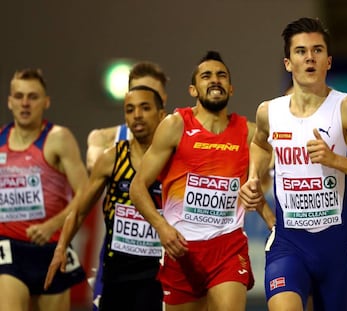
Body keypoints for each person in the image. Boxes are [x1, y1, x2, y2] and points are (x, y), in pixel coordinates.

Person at [239, 17, 347, 311]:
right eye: (300, 51)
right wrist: (253, 177)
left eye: (317, 50)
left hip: (335, 247)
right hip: (288, 244)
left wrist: (335, 160)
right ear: (288, 63)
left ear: (328, 61)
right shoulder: (269, 111)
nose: (309, 57)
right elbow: (260, 144)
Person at [129, 51, 275, 311]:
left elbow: (282, 165)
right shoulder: (176, 125)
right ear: (193, 89)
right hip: (182, 249)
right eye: (206, 76)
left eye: (221, 76)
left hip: (228, 247)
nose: (215, 80)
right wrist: (161, 227)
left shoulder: (248, 133)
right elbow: (137, 187)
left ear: (230, 88)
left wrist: (262, 199)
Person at [44, 85, 167, 311]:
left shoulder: (173, 161)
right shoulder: (111, 159)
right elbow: (80, 210)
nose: (136, 115)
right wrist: (60, 249)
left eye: (144, 108)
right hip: (116, 273)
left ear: (161, 115)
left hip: (158, 274)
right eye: (129, 110)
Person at [0, 68, 87, 311]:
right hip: (9, 247)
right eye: (18, 96)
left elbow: (86, 192)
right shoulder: (0, 140)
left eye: (33, 97)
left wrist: (53, 225)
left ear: (46, 102)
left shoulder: (58, 139)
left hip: (52, 250)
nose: (25, 103)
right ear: (9, 102)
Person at [85, 61, 169, 310]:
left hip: (159, 261)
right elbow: (94, 167)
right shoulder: (106, 139)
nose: (139, 112)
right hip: (117, 259)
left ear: (161, 100)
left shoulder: (176, 142)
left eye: (147, 99)